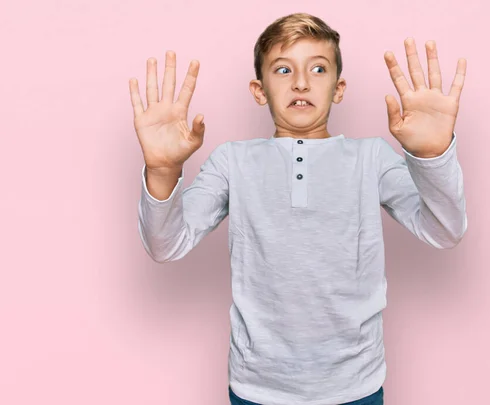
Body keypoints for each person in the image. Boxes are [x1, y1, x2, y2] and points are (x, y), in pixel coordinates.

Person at [129, 12, 467, 405]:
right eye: (284, 69)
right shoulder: (231, 162)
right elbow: (165, 245)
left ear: (339, 88)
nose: (302, 82)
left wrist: (433, 155)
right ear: (259, 90)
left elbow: (445, 230)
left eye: (319, 69)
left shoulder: (370, 157)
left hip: (354, 384)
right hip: (257, 387)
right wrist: (163, 170)